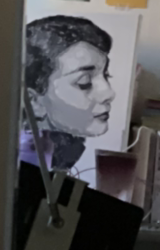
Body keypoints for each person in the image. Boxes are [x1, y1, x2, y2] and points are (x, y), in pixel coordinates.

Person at [24, 16, 116, 171]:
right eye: (84, 82)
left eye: (106, 75)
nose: (109, 93)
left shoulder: (65, 155)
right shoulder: (23, 168)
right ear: (34, 102)